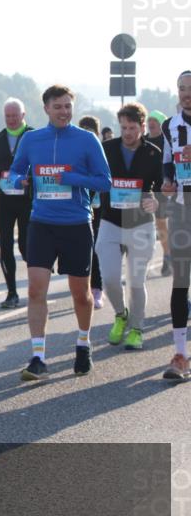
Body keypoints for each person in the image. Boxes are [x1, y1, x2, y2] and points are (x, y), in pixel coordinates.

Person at [9, 84, 111, 381]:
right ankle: (38, 357)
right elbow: (14, 171)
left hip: (76, 223)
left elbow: (104, 181)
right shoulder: (31, 139)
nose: (64, 112)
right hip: (41, 223)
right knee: (35, 289)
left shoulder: (87, 139)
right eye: (58, 107)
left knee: (80, 294)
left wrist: (72, 177)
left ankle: (83, 344)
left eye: (68, 106)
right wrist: (19, 180)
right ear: (46, 109)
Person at [94, 102, 163, 351]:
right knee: (110, 279)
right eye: (123, 128)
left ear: (142, 127)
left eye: (132, 128)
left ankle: (136, 328)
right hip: (110, 220)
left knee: (135, 281)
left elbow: (160, 187)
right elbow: (95, 177)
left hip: (140, 223)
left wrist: (156, 201)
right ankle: (120, 315)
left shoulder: (153, 153)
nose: (127, 133)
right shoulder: (107, 149)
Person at [0, 98, 34, 308]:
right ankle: (12, 292)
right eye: (8, 116)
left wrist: (30, 178)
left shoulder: (33, 135)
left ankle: (37, 286)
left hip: (27, 200)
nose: (11, 120)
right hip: (5, 199)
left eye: (15, 116)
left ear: (23, 115)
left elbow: (43, 164)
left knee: (26, 245)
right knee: (5, 245)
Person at [160, 70, 191, 380]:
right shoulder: (170, 126)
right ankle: (180, 354)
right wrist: (168, 180)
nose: (186, 94)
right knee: (180, 282)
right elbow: (168, 161)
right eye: (182, 88)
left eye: (190, 89)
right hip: (183, 211)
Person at [78, 116, 106, 309]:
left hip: (100, 207)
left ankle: (97, 288)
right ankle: (84, 286)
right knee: (83, 249)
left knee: (96, 248)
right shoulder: (75, 153)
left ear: (97, 134)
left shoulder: (103, 152)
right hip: (81, 208)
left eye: (91, 133)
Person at [148, 110, 173, 276]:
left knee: (164, 224)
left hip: (166, 187)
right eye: (150, 120)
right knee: (159, 224)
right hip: (148, 189)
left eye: (155, 121)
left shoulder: (167, 141)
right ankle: (167, 254)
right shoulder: (143, 140)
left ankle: (169, 255)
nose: (152, 123)